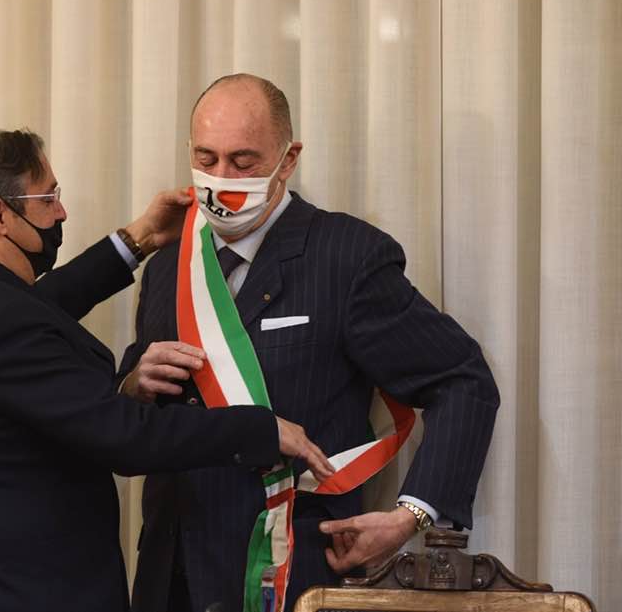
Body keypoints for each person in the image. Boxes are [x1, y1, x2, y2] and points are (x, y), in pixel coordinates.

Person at [0, 129, 334, 612]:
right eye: (48, 198)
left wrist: (139, 239)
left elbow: (37, 306)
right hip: (22, 593)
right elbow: (126, 436)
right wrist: (261, 429)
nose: (62, 212)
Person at [119, 74, 501, 612]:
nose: (221, 179)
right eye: (206, 158)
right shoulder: (167, 266)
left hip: (293, 572)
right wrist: (134, 384)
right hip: (171, 576)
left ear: (288, 159)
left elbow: (462, 381)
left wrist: (410, 517)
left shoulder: (346, 257)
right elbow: (133, 413)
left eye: (243, 161)